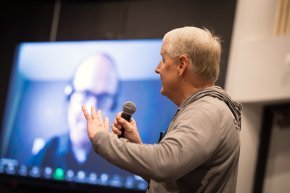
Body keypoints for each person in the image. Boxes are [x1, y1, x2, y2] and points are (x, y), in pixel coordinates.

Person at [82, 26, 242, 193]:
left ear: (181, 65)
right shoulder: (203, 109)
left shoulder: (207, 112)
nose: (157, 68)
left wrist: (100, 138)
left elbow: (164, 164)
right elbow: (172, 180)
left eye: (163, 59)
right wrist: (135, 144)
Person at [30, 53, 131, 178]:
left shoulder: (121, 161)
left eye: (104, 98)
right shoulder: (46, 152)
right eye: (84, 94)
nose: (91, 110)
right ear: (69, 98)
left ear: (113, 106)